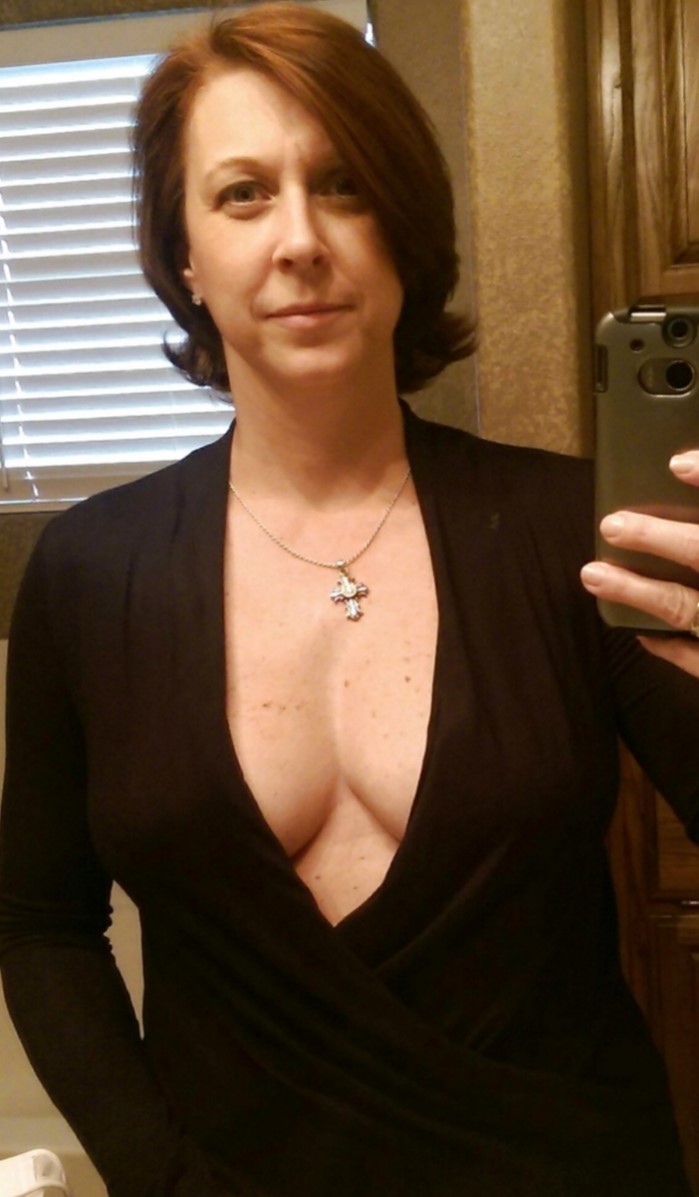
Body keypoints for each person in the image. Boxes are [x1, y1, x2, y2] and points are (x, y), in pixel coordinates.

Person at [1, 5, 699, 1195]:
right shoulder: (86, 572)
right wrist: (157, 1175)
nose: (300, 239)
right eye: (242, 195)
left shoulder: (574, 535)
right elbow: (40, 924)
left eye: (343, 185)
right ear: (183, 255)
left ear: (404, 230)